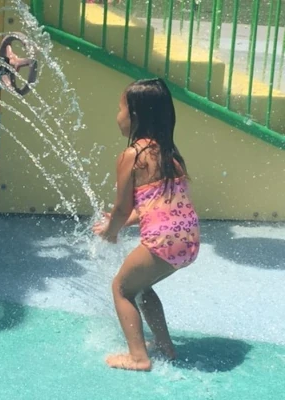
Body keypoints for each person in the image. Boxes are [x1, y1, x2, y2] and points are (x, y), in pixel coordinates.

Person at [92, 78, 200, 371]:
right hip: (188, 241)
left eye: (120, 108)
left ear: (135, 115)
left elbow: (122, 207)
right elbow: (154, 206)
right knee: (142, 287)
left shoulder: (133, 156)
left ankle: (138, 357)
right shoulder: (170, 155)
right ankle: (166, 347)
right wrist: (123, 223)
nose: (118, 116)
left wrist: (111, 231)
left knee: (121, 288)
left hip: (162, 242)